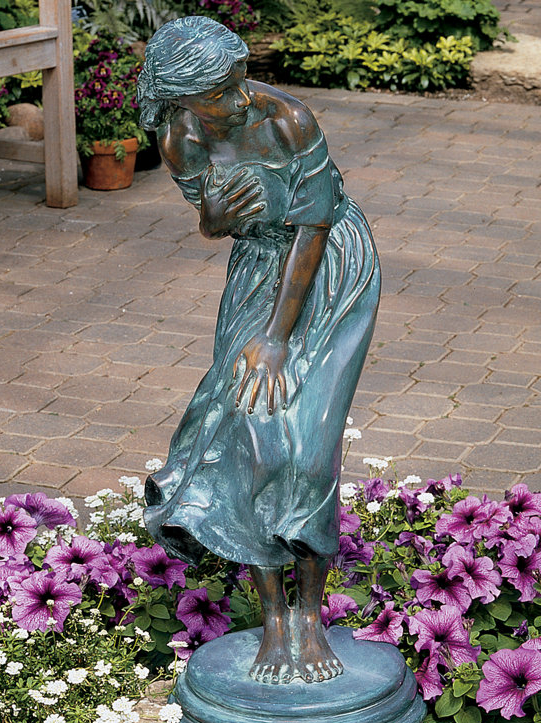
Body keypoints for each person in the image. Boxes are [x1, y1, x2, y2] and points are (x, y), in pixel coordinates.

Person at [138, 16, 380, 684]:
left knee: (310, 444)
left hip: (330, 272)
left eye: (239, 77)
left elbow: (314, 226)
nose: (240, 96)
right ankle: (275, 615)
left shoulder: (287, 120)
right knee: (248, 435)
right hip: (257, 271)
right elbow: (212, 224)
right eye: (219, 91)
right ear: (185, 99)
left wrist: (275, 339)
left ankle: (311, 615)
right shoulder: (179, 137)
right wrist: (216, 215)